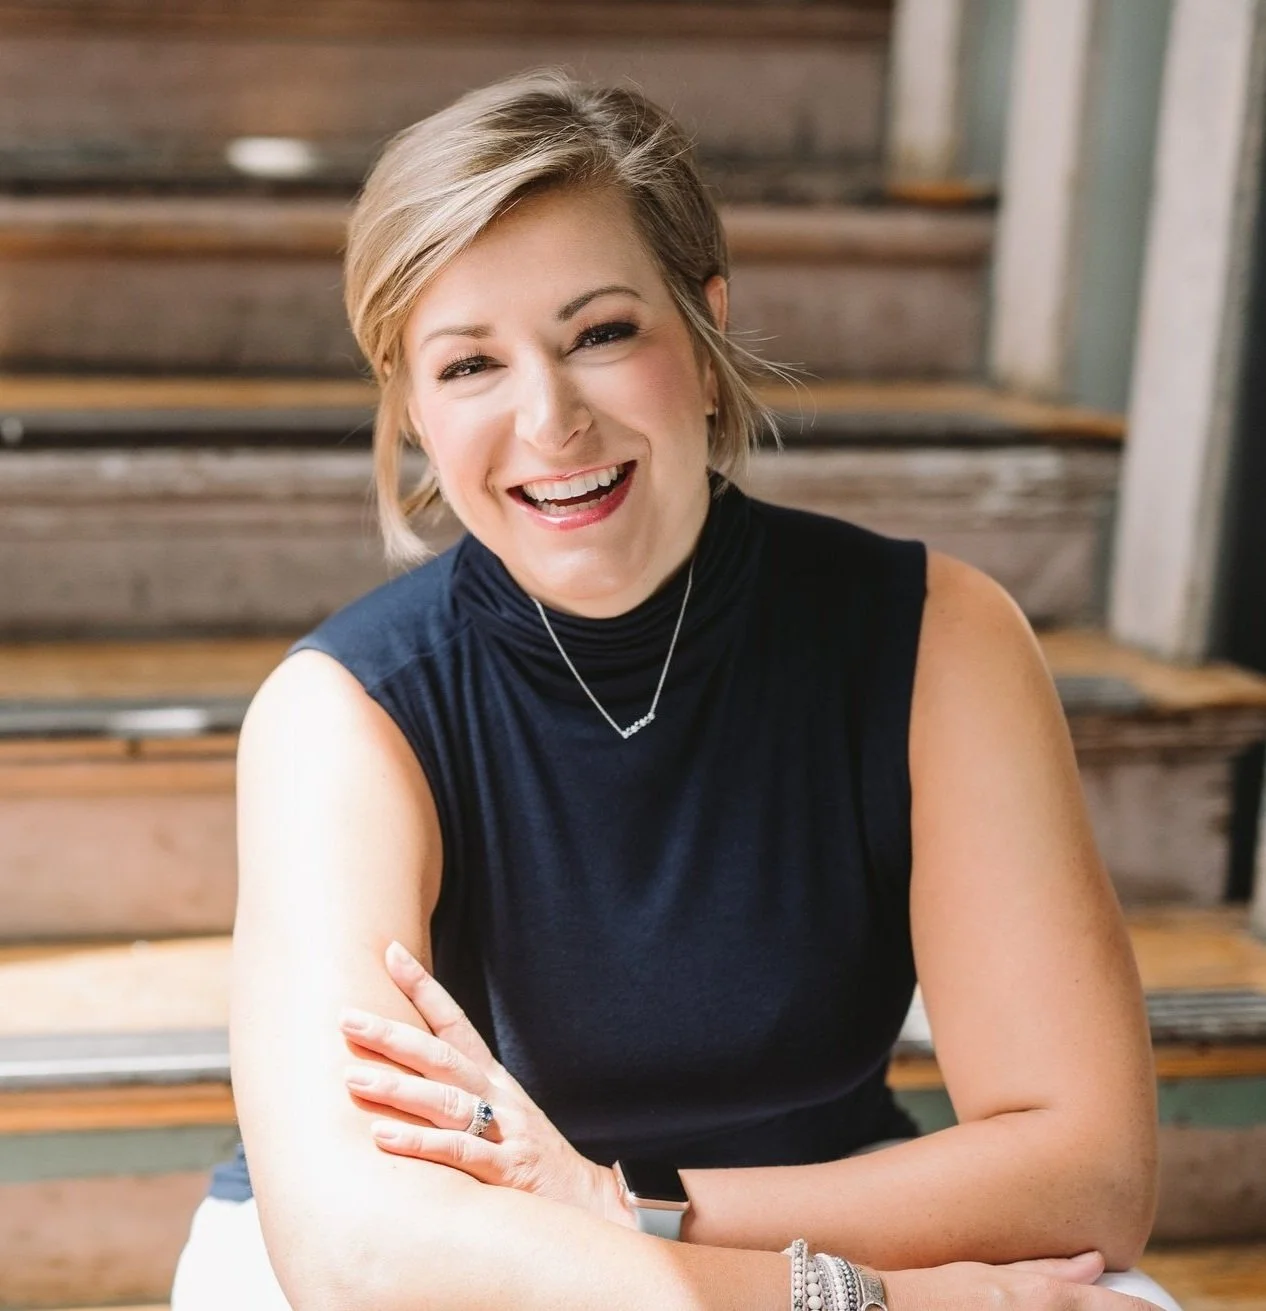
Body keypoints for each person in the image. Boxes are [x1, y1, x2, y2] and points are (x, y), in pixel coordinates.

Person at [171, 68, 1181, 1311]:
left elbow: (1087, 1171)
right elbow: (359, 1252)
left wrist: (642, 1209)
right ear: (415, 410)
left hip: (812, 1205)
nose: (549, 421)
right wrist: (898, 1305)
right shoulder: (347, 712)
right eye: (470, 365)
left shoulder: (937, 638)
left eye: (600, 334)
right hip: (473, 1266)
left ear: (704, 338)